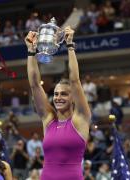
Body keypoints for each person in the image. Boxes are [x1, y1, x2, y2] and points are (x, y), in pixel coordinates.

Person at [26, 27, 91, 180]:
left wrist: (70, 46)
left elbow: (75, 80)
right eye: (55, 94)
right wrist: (31, 51)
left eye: (63, 94)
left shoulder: (80, 118)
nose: (58, 97)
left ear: (73, 98)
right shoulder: (48, 119)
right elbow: (35, 84)